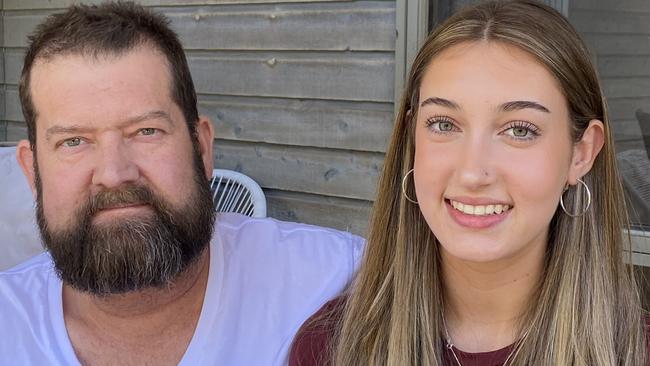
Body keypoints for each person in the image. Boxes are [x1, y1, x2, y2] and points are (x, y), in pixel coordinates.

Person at [0, 2, 363, 365]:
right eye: (74, 142)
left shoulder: (340, 280)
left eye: (146, 131)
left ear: (202, 148)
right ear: (32, 171)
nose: (113, 174)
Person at [289, 1, 648, 365]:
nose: (473, 173)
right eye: (444, 124)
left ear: (581, 154)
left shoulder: (636, 350)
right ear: (412, 139)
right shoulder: (328, 348)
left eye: (519, 130)